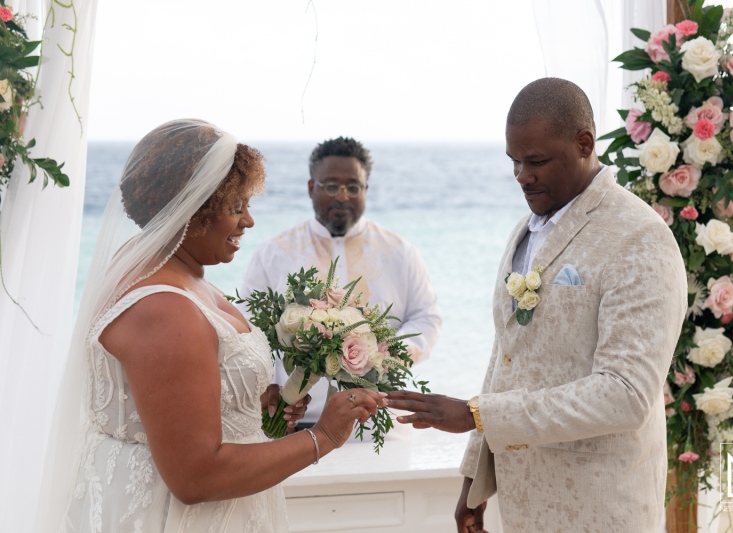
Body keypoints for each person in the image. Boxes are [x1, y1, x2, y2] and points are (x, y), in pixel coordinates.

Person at [35, 120, 386, 533]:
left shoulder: (170, 268)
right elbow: (195, 476)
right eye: (237, 207)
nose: (249, 222)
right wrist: (324, 436)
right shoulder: (164, 309)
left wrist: (250, 407)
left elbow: (167, 402)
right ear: (193, 209)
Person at [387, 78, 687, 532]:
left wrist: (475, 414)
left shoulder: (639, 238)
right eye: (514, 162)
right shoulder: (525, 231)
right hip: (523, 505)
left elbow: (625, 394)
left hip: (600, 507)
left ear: (584, 143)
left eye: (536, 161)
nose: (521, 176)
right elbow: (505, 359)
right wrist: (473, 482)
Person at [239, 136, 441, 429]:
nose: (343, 196)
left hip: (376, 419)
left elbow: (427, 317)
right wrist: (271, 392)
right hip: (297, 419)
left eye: (353, 187)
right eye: (331, 185)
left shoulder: (399, 252)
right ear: (311, 188)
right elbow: (249, 328)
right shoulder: (274, 252)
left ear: (366, 190)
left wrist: (386, 355)